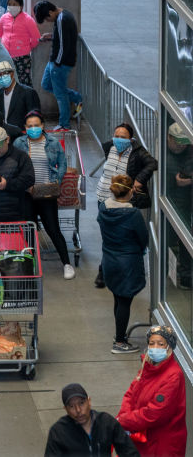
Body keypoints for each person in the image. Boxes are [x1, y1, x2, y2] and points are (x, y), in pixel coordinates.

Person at [94, 124, 158, 289]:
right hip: (103, 197)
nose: (119, 139)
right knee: (107, 237)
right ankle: (104, 271)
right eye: (116, 135)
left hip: (122, 201)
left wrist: (139, 179)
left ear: (131, 139)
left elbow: (152, 163)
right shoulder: (109, 146)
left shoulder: (137, 151)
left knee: (122, 237)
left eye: (123, 137)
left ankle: (109, 271)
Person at [14, 111, 73, 279]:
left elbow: (62, 164)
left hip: (47, 194)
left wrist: (56, 182)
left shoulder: (53, 142)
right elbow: (14, 165)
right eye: (29, 126)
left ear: (42, 126)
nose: (33, 128)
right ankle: (30, 265)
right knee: (28, 230)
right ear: (25, 128)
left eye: (36, 125)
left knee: (53, 229)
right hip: (27, 193)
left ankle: (67, 264)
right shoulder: (19, 143)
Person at [95, 174, 149, 353]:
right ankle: (119, 342)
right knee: (125, 300)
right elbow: (143, 238)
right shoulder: (132, 214)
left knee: (118, 298)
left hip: (110, 260)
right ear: (129, 192)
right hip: (128, 263)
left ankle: (120, 333)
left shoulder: (103, 208)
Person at [118, 325, 188, 455]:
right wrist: (124, 417)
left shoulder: (173, 375)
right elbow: (131, 394)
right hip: (141, 438)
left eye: (160, 344)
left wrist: (124, 421)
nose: (155, 347)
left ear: (169, 347)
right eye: (152, 343)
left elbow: (155, 413)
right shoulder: (147, 367)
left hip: (162, 445)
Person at [44, 383, 139, 457]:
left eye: (81, 403)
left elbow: (129, 452)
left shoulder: (107, 423)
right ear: (66, 409)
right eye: (72, 406)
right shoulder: (58, 432)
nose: (78, 410)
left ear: (89, 401)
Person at [34, 0, 83, 131]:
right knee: (46, 85)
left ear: (50, 12)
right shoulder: (63, 15)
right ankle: (76, 97)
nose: (48, 21)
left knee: (60, 95)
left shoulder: (62, 19)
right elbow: (63, 38)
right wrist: (50, 36)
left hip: (59, 63)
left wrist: (57, 63)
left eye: (46, 18)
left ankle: (64, 125)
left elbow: (64, 45)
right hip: (56, 61)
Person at [0, 0, 42, 86]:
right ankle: (10, 101)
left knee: (24, 83)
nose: (11, 7)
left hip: (22, 58)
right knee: (7, 83)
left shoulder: (28, 20)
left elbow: (36, 38)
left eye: (14, 4)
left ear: (21, 6)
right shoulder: (3, 18)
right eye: (9, 4)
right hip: (6, 57)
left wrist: (26, 47)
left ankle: (27, 100)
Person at [0, 60, 41, 131]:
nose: (2, 77)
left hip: (21, 134)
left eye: (5, 74)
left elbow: (35, 117)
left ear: (12, 73)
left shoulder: (28, 92)